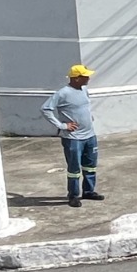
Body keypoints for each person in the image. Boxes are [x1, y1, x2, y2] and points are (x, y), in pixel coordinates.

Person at [42, 63, 103, 208]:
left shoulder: (84, 89)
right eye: (85, 76)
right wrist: (62, 126)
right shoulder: (62, 93)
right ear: (76, 78)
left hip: (90, 136)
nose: (88, 78)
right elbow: (46, 109)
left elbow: (84, 106)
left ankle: (88, 191)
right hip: (74, 139)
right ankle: (73, 195)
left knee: (90, 166)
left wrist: (89, 116)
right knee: (74, 168)